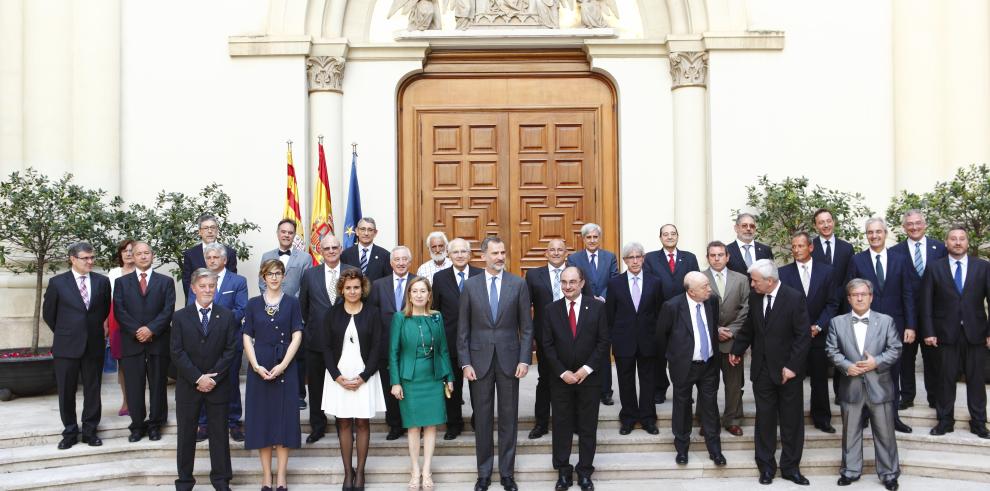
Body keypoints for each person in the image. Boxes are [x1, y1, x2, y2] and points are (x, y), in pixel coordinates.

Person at [458, 236, 533, 491]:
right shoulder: (470, 286)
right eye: (495, 253)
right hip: (478, 362)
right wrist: (465, 362)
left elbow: (527, 327)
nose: (500, 257)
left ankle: (507, 474)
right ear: (483, 256)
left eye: (503, 252)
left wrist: (525, 359)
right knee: (482, 419)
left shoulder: (518, 284)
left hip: (510, 361)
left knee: (509, 418)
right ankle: (484, 474)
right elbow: (463, 330)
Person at [729, 259, 811, 486]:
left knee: (791, 422)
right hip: (762, 370)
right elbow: (749, 328)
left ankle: (791, 467)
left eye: (755, 280)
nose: (752, 285)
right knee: (764, 420)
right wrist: (737, 349)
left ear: (770, 281)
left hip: (788, 372)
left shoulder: (794, 298)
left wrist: (792, 367)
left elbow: (802, 337)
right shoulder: (756, 298)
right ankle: (766, 467)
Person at [826, 279, 902, 490]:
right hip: (851, 386)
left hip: (880, 386)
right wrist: (847, 366)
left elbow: (895, 349)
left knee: (885, 432)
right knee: (850, 431)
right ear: (849, 298)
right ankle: (850, 471)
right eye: (855, 295)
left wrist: (876, 362)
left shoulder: (886, 321)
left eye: (864, 294)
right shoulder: (837, 322)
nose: (859, 298)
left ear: (871, 297)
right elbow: (831, 350)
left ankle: (889, 474)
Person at [541, 267, 610, 491]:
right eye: (564, 282)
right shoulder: (551, 310)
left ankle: (584, 472)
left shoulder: (598, 307)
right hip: (560, 379)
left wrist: (585, 370)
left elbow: (603, 342)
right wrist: (563, 372)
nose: (568, 286)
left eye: (572, 282)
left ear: (582, 283)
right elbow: (547, 345)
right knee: (561, 426)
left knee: (587, 426)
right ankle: (563, 471)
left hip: (589, 379)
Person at [170, 268, 238, 491]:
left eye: (211, 286)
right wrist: (198, 377)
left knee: (219, 434)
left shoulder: (226, 316)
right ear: (193, 288)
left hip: (217, 386)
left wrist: (212, 378)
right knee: (186, 435)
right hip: (189, 386)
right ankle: (184, 481)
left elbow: (230, 351)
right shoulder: (180, 317)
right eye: (203, 286)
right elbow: (177, 352)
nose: (207, 290)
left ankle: (221, 480)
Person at [920, 226, 990, 439]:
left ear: (967, 243)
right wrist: (929, 331)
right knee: (945, 379)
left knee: (977, 381)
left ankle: (978, 423)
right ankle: (944, 421)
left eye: (962, 239)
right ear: (946, 243)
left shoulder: (983, 267)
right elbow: (926, 303)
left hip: (976, 333)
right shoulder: (934, 268)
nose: (958, 242)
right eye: (953, 239)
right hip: (944, 334)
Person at [847, 217, 915, 433]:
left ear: (885, 234)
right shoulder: (857, 260)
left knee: (892, 373)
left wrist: (911, 325)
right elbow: (849, 294)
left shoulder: (901, 259)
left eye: (878, 232)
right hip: (865, 326)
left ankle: (892, 417)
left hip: (895, 325)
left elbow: (908, 293)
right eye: (870, 232)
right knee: (865, 372)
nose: (874, 236)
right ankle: (865, 416)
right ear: (866, 235)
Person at [42, 242, 112, 450]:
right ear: (73, 259)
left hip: (94, 344)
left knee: (93, 389)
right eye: (85, 258)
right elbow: (49, 314)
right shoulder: (57, 283)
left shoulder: (102, 282)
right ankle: (70, 432)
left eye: (92, 258)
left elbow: (103, 310)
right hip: (66, 345)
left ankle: (90, 431)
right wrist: (67, 332)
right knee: (66, 390)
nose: (90, 262)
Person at [322, 269, 386, 491]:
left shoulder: (373, 313)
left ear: (363, 288)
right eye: (348, 287)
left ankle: (360, 473)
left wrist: (364, 376)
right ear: (342, 289)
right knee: (344, 422)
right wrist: (337, 377)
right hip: (338, 376)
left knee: (362, 422)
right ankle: (348, 473)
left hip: (364, 376)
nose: (352, 291)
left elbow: (378, 347)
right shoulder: (332, 314)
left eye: (356, 287)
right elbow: (326, 348)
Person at [243, 259, 303, 491]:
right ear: (263, 276)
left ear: (284, 276)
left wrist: (284, 365)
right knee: (262, 422)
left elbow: (297, 334)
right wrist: (256, 365)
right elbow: (247, 336)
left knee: (284, 421)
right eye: (270, 273)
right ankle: (266, 477)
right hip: (260, 367)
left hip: (285, 366)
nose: (275, 277)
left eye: (278, 273)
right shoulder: (253, 304)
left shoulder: (292, 303)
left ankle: (281, 477)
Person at [389, 277, 454, 490]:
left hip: (433, 377)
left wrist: (449, 377)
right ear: (409, 295)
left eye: (422, 291)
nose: (418, 295)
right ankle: (415, 469)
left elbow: (444, 349)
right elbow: (394, 352)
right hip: (410, 379)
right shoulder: (400, 318)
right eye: (414, 291)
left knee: (432, 425)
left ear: (429, 295)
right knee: (414, 427)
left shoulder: (437, 317)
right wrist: (395, 382)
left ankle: (427, 469)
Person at [657, 271, 726, 467]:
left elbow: (712, 329)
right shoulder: (672, 306)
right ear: (692, 291)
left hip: (708, 365)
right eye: (705, 286)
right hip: (683, 367)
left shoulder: (711, 301)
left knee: (710, 408)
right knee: (682, 407)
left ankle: (715, 451)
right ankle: (682, 449)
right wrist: (674, 358)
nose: (710, 289)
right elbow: (661, 337)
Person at [524, 239, 590, 440]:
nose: (555, 253)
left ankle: (576, 422)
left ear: (566, 253)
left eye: (559, 249)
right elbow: (525, 306)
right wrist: (530, 336)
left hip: (574, 335)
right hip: (546, 337)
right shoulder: (534, 275)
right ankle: (541, 423)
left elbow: (587, 301)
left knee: (574, 380)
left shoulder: (576, 273)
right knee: (545, 379)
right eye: (551, 249)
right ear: (546, 253)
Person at [113, 241, 176, 443]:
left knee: (158, 384)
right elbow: (119, 311)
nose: (142, 256)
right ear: (133, 255)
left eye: (146, 253)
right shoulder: (122, 283)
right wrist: (136, 331)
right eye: (138, 253)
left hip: (158, 341)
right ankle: (137, 425)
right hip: (131, 342)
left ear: (152, 255)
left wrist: (151, 329)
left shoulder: (165, 282)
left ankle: (156, 424)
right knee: (134, 385)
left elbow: (168, 310)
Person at [778, 232, 839, 433]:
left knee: (820, 380)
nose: (796, 250)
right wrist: (799, 329)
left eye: (800, 246)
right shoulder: (783, 273)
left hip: (818, 335)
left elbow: (832, 303)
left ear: (810, 247)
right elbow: (783, 304)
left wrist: (819, 326)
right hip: (793, 338)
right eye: (793, 246)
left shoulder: (827, 272)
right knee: (792, 381)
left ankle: (822, 418)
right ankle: (792, 420)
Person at [187, 243, 249, 442]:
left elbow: (241, 309)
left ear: (224, 260)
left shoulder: (238, 281)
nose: (212, 260)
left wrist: (217, 322)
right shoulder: (197, 280)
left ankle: (233, 422)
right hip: (203, 342)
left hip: (230, 341)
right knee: (205, 381)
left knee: (230, 382)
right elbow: (191, 307)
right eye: (209, 257)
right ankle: (204, 424)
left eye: (216, 257)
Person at [299, 234, 358, 442]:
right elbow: (303, 308)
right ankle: (318, 426)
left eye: (335, 247)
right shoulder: (309, 275)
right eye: (327, 248)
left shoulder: (353, 272)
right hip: (315, 342)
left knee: (346, 384)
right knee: (315, 386)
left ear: (341, 249)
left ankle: (345, 424)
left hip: (347, 343)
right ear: (320, 251)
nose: (331, 251)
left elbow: (360, 304)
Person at [889, 209, 946, 410]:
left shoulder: (940, 248)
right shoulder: (894, 252)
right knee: (906, 358)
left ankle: (934, 397)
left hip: (934, 316)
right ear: (904, 227)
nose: (914, 227)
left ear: (925, 224)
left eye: (918, 223)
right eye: (909, 224)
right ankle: (907, 396)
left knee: (933, 359)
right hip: (906, 316)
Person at [605, 242, 661, 435]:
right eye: (631, 257)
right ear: (625, 260)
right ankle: (628, 418)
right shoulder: (615, 283)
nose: (635, 261)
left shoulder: (655, 282)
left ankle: (648, 419)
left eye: (638, 257)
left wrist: (657, 339)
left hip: (648, 341)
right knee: (625, 381)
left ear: (643, 258)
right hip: (623, 341)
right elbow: (609, 314)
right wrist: (614, 338)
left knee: (648, 382)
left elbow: (658, 312)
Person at [430, 237, 482, 440]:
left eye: (463, 251)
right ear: (448, 255)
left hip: (477, 342)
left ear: (470, 255)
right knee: (452, 385)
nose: (459, 255)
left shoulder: (480, 274)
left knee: (479, 386)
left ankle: (480, 421)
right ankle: (454, 424)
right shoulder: (440, 278)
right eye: (455, 252)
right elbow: (436, 311)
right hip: (450, 341)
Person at [644, 224, 699, 404]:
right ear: (660, 237)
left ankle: (684, 390)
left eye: (673, 234)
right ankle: (660, 389)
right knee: (659, 355)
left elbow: (696, 283)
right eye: (665, 234)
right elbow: (647, 285)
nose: (669, 237)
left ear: (678, 236)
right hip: (659, 314)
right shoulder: (651, 259)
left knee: (683, 354)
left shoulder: (689, 258)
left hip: (685, 314)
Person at [368, 245, 418, 440]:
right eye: (396, 259)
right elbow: (372, 315)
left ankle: (413, 423)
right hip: (385, 345)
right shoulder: (379, 284)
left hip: (413, 346)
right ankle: (395, 425)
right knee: (391, 386)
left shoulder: (418, 282)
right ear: (391, 263)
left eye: (404, 259)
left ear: (410, 261)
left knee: (411, 385)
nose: (400, 263)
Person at [700, 241, 749, 436]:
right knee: (706, 384)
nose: (717, 258)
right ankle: (706, 420)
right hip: (708, 341)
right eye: (713, 255)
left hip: (733, 340)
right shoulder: (700, 278)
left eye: (721, 255)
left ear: (728, 257)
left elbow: (747, 308)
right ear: (707, 258)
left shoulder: (741, 279)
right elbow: (697, 309)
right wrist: (716, 329)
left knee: (734, 383)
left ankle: (733, 419)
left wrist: (731, 330)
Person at [566, 223, 618, 406]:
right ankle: (587, 388)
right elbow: (573, 281)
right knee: (585, 350)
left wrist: (602, 298)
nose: (592, 240)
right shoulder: (574, 258)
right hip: (583, 309)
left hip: (604, 310)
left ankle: (606, 391)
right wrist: (589, 298)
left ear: (599, 238)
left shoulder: (609, 257)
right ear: (583, 239)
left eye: (595, 237)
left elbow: (614, 280)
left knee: (603, 350)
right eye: (588, 237)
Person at [106, 239, 136, 417]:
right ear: (121, 254)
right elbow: (107, 300)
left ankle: (139, 400)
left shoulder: (144, 272)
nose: (128, 253)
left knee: (140, 364)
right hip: (117, 320)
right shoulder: (114, 273)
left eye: (132, 250)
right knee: (123, 364)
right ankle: (126, 401)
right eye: (125, 251)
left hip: (140, 320)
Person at [181, 213, 238, 301]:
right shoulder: (190, 254)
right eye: (206, 228)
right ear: (200, 232)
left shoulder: (229, 252)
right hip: (197, 304)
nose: (210, 231)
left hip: (224, 305)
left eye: (213, 227)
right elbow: (187, 283)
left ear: (217, 230)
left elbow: (232, 282)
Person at [260, 218, 313, 298]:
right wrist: (271, 301)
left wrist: (291, 303)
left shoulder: (305, 258)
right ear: (277, 233)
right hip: (270, 306)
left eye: (290, 233)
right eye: (283, 232)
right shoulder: (266, 256)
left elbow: (306, 285)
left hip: (296, 306)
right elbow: (262, 283)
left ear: (294, 235)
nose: (286, 235)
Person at [341, 217, 393, 282]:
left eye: (370, 230)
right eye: (363, 229)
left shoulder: (385, 255)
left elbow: (388, 282)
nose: (366, 233)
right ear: (357, 231)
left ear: (375, 233)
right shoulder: (346, 255)